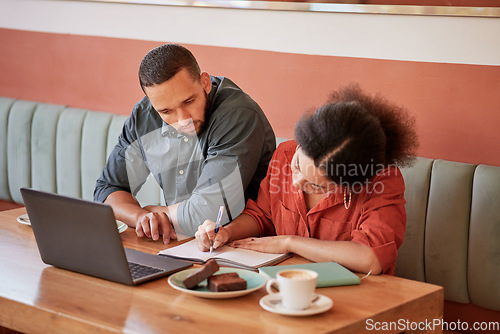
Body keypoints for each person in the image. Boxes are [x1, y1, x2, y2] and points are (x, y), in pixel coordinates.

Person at [195, 84, 418, 275]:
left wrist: (289, 242)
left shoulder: (381, 180)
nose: (296, 183)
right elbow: (262, 216)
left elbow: (371, 259)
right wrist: (226, 232)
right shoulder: (284, 153)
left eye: (315, 185)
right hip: (285, 285)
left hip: (356, 298)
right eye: (298, 166)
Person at [94, 44, 276, 243]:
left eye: (188, 101)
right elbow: (108, 190)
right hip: (176, 243)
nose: (183, 120)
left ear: (205, 83)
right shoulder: (144, 116)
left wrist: (154, 210)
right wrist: (142, 217)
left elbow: (206, 213)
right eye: (166, 111)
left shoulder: (238, 115)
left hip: (240, 247)